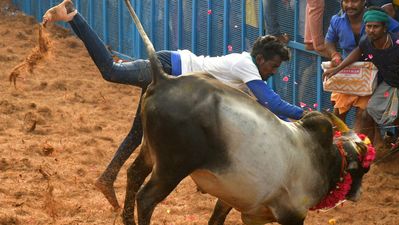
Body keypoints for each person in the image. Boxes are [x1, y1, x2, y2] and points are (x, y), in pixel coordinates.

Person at [43, 0, 305, 210]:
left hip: (177, 89)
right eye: (272, 66)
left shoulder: (250, 72)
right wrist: (304, 115)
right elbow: (271, 102)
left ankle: (108, 176)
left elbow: (267, 107)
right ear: (260, 58)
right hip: (169, 71)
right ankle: (73, 14)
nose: (272, 72)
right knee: (111, 71)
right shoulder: (248, 66)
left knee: (139, 133)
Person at [323, 7, 399, 148]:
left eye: (375, 27)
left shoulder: (397, 42)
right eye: (369, 26)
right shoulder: (366, 41)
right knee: (367, 114)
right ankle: (363, 153)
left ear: (385, 28)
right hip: (390, 84)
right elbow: (357, 52)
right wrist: (336, 69)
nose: (371, 30)